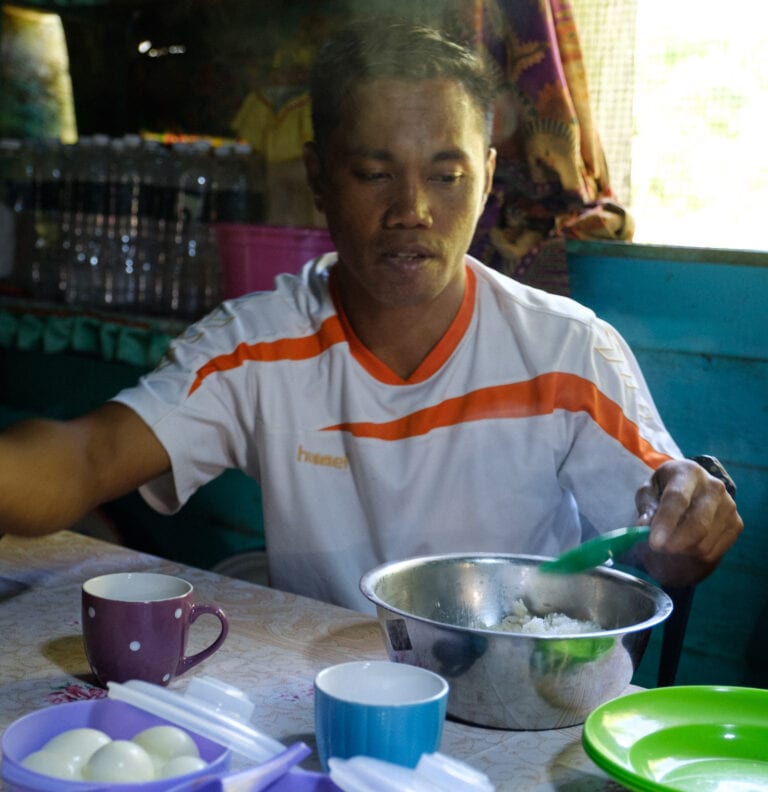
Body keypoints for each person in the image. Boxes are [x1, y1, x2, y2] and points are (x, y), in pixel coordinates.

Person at [0, 21, 741, 613]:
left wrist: (685, 534)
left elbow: (663, 543)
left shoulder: (567, 351)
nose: (412, 211)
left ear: (486, 177)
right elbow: (88, 455)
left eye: (447, 176)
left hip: (512, 695)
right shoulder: (256, 347)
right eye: (374, 173)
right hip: (325, 691)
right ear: (320, 178)